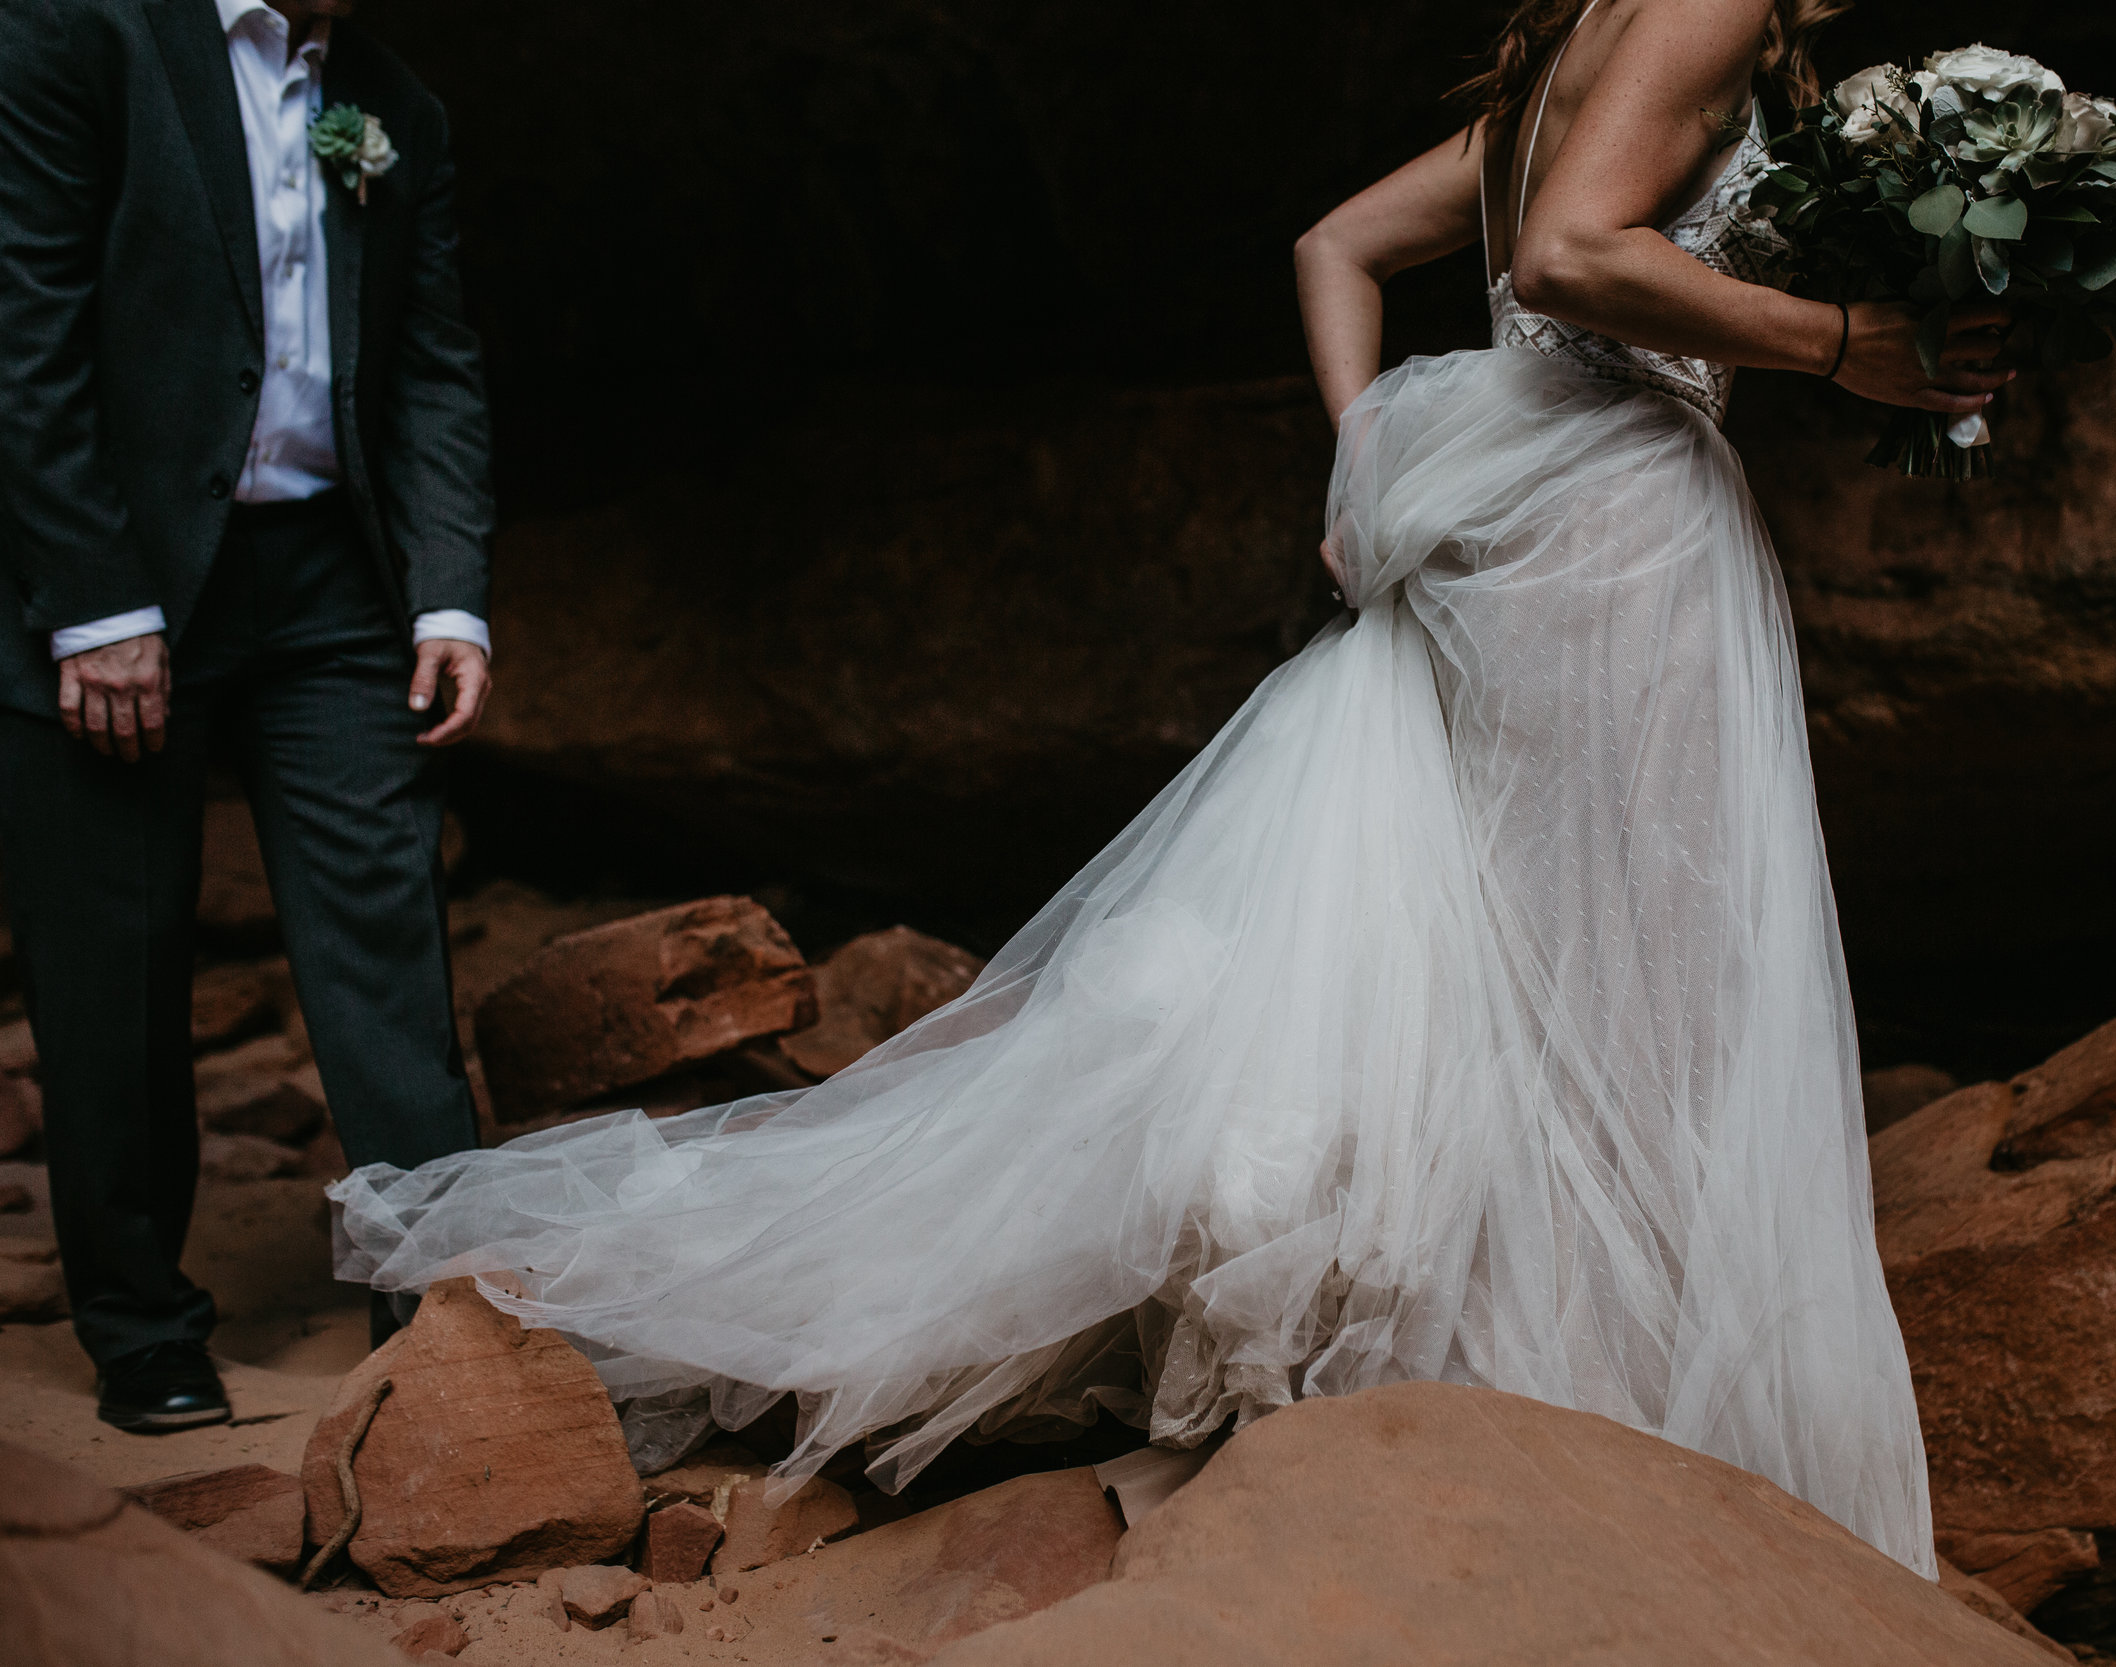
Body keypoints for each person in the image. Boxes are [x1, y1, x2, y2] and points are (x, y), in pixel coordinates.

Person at [330, 0, 2011, 1573]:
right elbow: (1573, 256)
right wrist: (1837, 339)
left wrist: (1362, 447)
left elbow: (1335, 243)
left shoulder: (1589, 28)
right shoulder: (1701, 3)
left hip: (1517, 509)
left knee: (1524, 964)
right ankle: (1604, 1425)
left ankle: (1521, 1382)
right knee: (1639, 975)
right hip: (1611, 526)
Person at [0, 0, 495, 1430]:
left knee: (388, 955)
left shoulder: (397, 104)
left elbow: (435, 363)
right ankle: (144, 1329)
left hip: (333, 586)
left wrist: (448, 598)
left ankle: (441, 1312)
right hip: (117, 568)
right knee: (114, 967)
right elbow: (21, 327)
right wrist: (94, 604)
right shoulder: (75, 38)